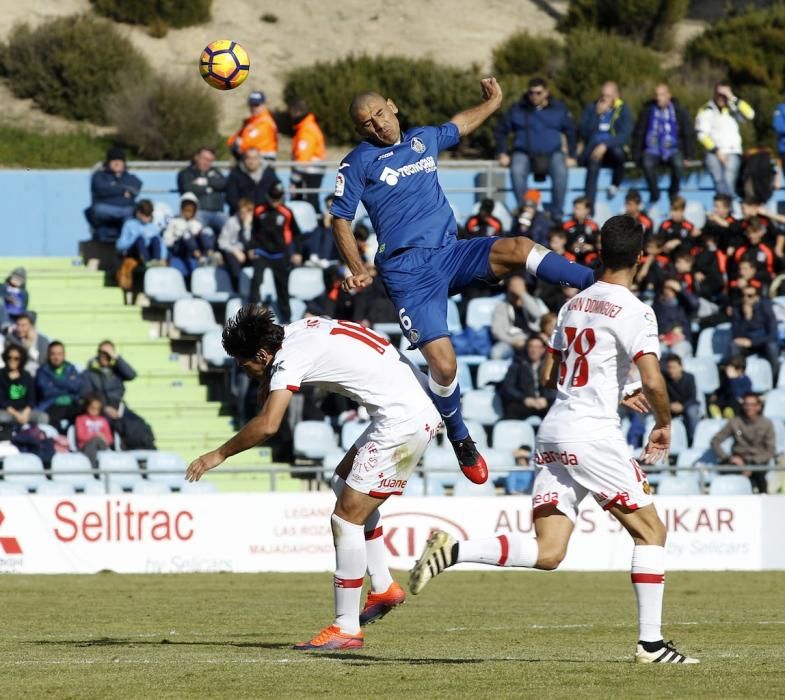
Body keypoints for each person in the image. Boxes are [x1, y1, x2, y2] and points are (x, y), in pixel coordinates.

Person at [409, 214, 699, 665]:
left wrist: (610, 383)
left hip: (554, 431)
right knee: (651, 533)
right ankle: (651, 645)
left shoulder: (572, 306)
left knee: (549, 552)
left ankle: (454, 549)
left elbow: (549, 376)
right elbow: (654, 380)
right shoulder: (637, 311)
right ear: (642, 259)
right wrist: (662, 421)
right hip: (593, 435)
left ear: (598, 254)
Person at [330, 78, 594, 485]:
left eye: (379, 115)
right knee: (444, 363)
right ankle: (459, 435)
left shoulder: (422, 140)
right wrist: (357, 269)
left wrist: (493, 102)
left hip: (450, 253)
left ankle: (596, 280)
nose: (377, 126)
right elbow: (341, 220)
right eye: (366, 124)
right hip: (407, 272)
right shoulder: (357, 162)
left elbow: (460, 125)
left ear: (392, 106)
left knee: (519, 246)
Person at [185, 305, 442, 651]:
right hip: (409, 406)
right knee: (342, 482)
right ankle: (382, 586)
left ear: (262, 353)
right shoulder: (299, 330)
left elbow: (268, 425)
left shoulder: (290, 358)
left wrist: (217, 454)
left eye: (244, 364)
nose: (244, 371)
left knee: (345, 519)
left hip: (405, 418)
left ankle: (346, 627)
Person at [494, 77, 577, 221]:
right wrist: (502, 152)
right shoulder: (518, 109)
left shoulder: (558, 109)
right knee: (517, 170)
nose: (534, 96)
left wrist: (572, 156)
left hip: (553, 153)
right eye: (531, 93)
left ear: (546, 92)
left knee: (561, 171)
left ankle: (557, 213)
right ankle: (525, 211)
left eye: (539, 93)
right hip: (524, 153)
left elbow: (571, 132)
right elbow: (501, 131)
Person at [80, 340, 155, 450]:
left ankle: (146, 451)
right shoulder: (89, 373)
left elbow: (132, 375)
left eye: (109, 353)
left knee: (139, 424)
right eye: (103, 353)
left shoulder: (117, 371)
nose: (105, 356)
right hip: (100, 409)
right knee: (119, 426)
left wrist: (116, 357)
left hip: (119, 408)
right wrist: (104, 408)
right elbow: (87, 395)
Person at [632, 83, 695, 205]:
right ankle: (654, 192)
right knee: (647, 163)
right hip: (652, 148)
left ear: (669, 95)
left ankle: (673, 191)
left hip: (673, 148)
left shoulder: (679, 111)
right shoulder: (648, 111)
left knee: (678, 164)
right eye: (656, 95)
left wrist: (689, 155)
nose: (658, 98)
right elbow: (639, 133)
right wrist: (636, 155)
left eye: (662, 94)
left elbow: (688, 133)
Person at [248, 182, 303, 321]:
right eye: (272, 198)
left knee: (282, 287)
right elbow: (254, 231)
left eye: (277, 198)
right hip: (262, 252)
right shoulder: (259, 210)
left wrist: (297, 252)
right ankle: (251, 315)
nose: (274, 201)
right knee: (256, 282)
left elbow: (297, 234)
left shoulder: (286, 213)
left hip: (280, 254)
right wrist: (251, 248)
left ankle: (286, 318)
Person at [578, 81, 633, 209]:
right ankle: (589, 208)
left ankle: (615, 183)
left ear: (616, 95)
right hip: (594, 149)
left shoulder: (623, 110)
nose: (604, 99)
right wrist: (597, 116)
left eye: (608, 95)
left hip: (612, 149)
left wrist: (605, 145)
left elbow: (624, 135)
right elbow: (584, 132)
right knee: (593, 164)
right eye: (603, 95)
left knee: (618, 152)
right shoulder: (591, 109)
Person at [695, 82, 755, 197]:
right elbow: (701, 135)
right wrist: (717, 151)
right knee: (719, 181)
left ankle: (728, 209)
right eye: (719, 94)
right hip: (713, 152)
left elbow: (750, 114)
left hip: (733, 151)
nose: (722, 97)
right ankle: (726, 208)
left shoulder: (733, 109)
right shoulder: (706, 110)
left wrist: (732, 98)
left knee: (729, 181)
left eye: (725, 95)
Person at [710, 392, 775, 493]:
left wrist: (751, 464)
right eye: (746, 404)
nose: (749, 408)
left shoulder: (767, 424)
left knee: (760, 477)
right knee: (725, 473)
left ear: (759, 406)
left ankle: (764, 501)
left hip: (758, 462)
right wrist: (728, 458)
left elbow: (770, 450)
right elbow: (715, 441)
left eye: (752, 405)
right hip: (738, 462)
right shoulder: (735, 422)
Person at [84, 147, 143, 242]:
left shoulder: (130, 177)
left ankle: (126, 244)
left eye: (119, 160)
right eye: (114, 160)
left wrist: (114, 187)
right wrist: (123, 190)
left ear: (124, 163)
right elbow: (102, 189)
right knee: (124, 211)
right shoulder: (99, 176)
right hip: (103, 210)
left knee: (133, 213)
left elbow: (137, 185)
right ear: (108, 162)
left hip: (127, 211)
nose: (117, 163)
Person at [727, 284, 779, 383]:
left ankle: (774, 380)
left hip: (763, 342)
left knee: (772, 346)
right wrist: (747, 318)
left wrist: (752, 342)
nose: (746, 299)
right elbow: (735, 334)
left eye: (750, 296)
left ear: (757, 297)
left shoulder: (766, 309)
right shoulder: (737, 310)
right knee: (734, 345)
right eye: (743, 295)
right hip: (746, 343)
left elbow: (772, 334)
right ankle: (736, 380)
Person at [490, 274, 546, 359]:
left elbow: (538, 315)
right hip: (510, 342)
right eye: (513, 286)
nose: (516, 288)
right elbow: (497, 331)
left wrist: (523, 294)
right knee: (496, 353)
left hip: (532, 341)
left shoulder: (534, 302)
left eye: (519, 286)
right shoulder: (501, 306)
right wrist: (513, 342)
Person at [497, 335, 553, 420]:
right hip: (524, 403)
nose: (534, 350)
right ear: (527, 348)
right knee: (512, 409)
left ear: (543, 349)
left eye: (537, 347)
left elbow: (557, 387)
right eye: (531, 347)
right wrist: (524, 399)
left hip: (545, 403)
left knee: (557, 410)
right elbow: (508, 387)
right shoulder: (518, 364)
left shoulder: (549, 366)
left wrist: (546, 399)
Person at [163, 193, 217, 277]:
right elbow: (167, 240)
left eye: (190, 210)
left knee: (206, 232)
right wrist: (178, 237)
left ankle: (210, 256)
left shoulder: (197, 223)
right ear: (182, 209)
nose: (188, 212)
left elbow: (202, 236)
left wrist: (196, 235)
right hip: (179, 248)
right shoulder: (174, 221)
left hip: (193, 249)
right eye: (186, 210)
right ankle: (200, 258)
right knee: (186, 234)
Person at [288, 97, 327, 212]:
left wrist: (294, 180)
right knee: (310, 200)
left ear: (297, 112)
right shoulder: (307, 127)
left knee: (309, 201)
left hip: (309, 172)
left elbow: (303, 157)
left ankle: (312, 225)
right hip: (310, 171)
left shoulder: (306, 130)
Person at [177, 146, 228, 234]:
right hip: (198, 212)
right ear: (196, 157)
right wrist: (210, 189)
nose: (207, 163)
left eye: (210, 160)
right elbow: (188, 188)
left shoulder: (216, 172)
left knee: (229, 228)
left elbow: (224, 184)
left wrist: (205, 181)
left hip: (218, 212)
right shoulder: (187, 173)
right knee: (196, 230)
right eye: (204, 159)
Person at [34, 341, 82, 433]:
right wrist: (67, 386)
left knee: (82, 415)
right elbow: (46, 391)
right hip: (51, 405)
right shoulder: (42, 371)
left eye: (59, 354)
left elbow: (76, 387)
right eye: (53, 354)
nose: (56, 357)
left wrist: (55, 383)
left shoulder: (71, 368)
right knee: (54, 419)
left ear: (64, 355)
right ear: (48, 355)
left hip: (71, 403)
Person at [0, 345, 47, 430]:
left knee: (43, 417)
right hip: (7, 412)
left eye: (16, 358)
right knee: (2, 418)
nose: (12, 360)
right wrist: (17, 415)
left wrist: (25, 414)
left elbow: (31, 399)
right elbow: (2, 401)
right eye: (9, 357)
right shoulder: (1, 375)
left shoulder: (27, 376)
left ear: (21, 360)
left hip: (24, 411)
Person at [225, 148, 281, 215]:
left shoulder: (269, 174)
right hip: (242, 215)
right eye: (248, 158)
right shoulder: (235, 175)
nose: (251, 161)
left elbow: (279, 191)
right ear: (244, 159)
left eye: (254, 158)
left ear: (259, 159)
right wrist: (244, 209)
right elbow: (231, 198)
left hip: (265, 215)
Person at [218, 197, 254, 295]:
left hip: (250, 252)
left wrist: (247, 227)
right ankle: (237, 289)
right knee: (231, 258)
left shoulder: (255, 223)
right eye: (242, 212)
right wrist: (235, 251)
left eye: (247, 213)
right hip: (235, 253)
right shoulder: (232, 221)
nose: (244, 215)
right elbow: (222, 242)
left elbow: (251, 242)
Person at [227, 90, 278, 161]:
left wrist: (238, 144)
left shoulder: (266, 122)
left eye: (256, 105)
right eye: (251, 105)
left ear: (264, 105)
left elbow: (247, 144)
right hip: (250, 162)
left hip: (264, 163)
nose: (253, 108)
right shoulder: (250, 122)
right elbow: (230, 141)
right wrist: (235, 143)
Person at [662, 354, 701, 443]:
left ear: (681, 367)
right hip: (670, 407)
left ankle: (693, 440)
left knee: (692, 412)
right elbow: (661, 397)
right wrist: (670, 405)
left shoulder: (690, 378)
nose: (671, 370)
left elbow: (692, 397)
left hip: (688, 405)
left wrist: (683, 406)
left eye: (674, 367)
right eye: (669, 367)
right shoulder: (664, 379)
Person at [115, 199, 166, 265]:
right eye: (146, 215)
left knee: (155, 238)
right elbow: (120, 245)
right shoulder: (129, 224)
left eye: (149, 215)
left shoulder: (153, 227)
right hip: (134, 252)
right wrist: (135, 237)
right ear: (138, 213)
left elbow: (161, 244)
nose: (148, 218)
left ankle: (157, 261)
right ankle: (146, 262)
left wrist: (163, 257)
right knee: (140, 239)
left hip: (149, 252)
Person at [74, 393, 115, 469]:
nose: (95, 411)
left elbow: (110, 439)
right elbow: (81, 436)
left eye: (97, 409)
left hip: (101, 445)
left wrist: (103, 437)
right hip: (85, 446)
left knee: (97, 440)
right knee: (95, 441)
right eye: (92, 408)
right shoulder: (80, 419)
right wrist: (95, 435)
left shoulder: (103, 420)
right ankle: (92, 468)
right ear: (87, 407)